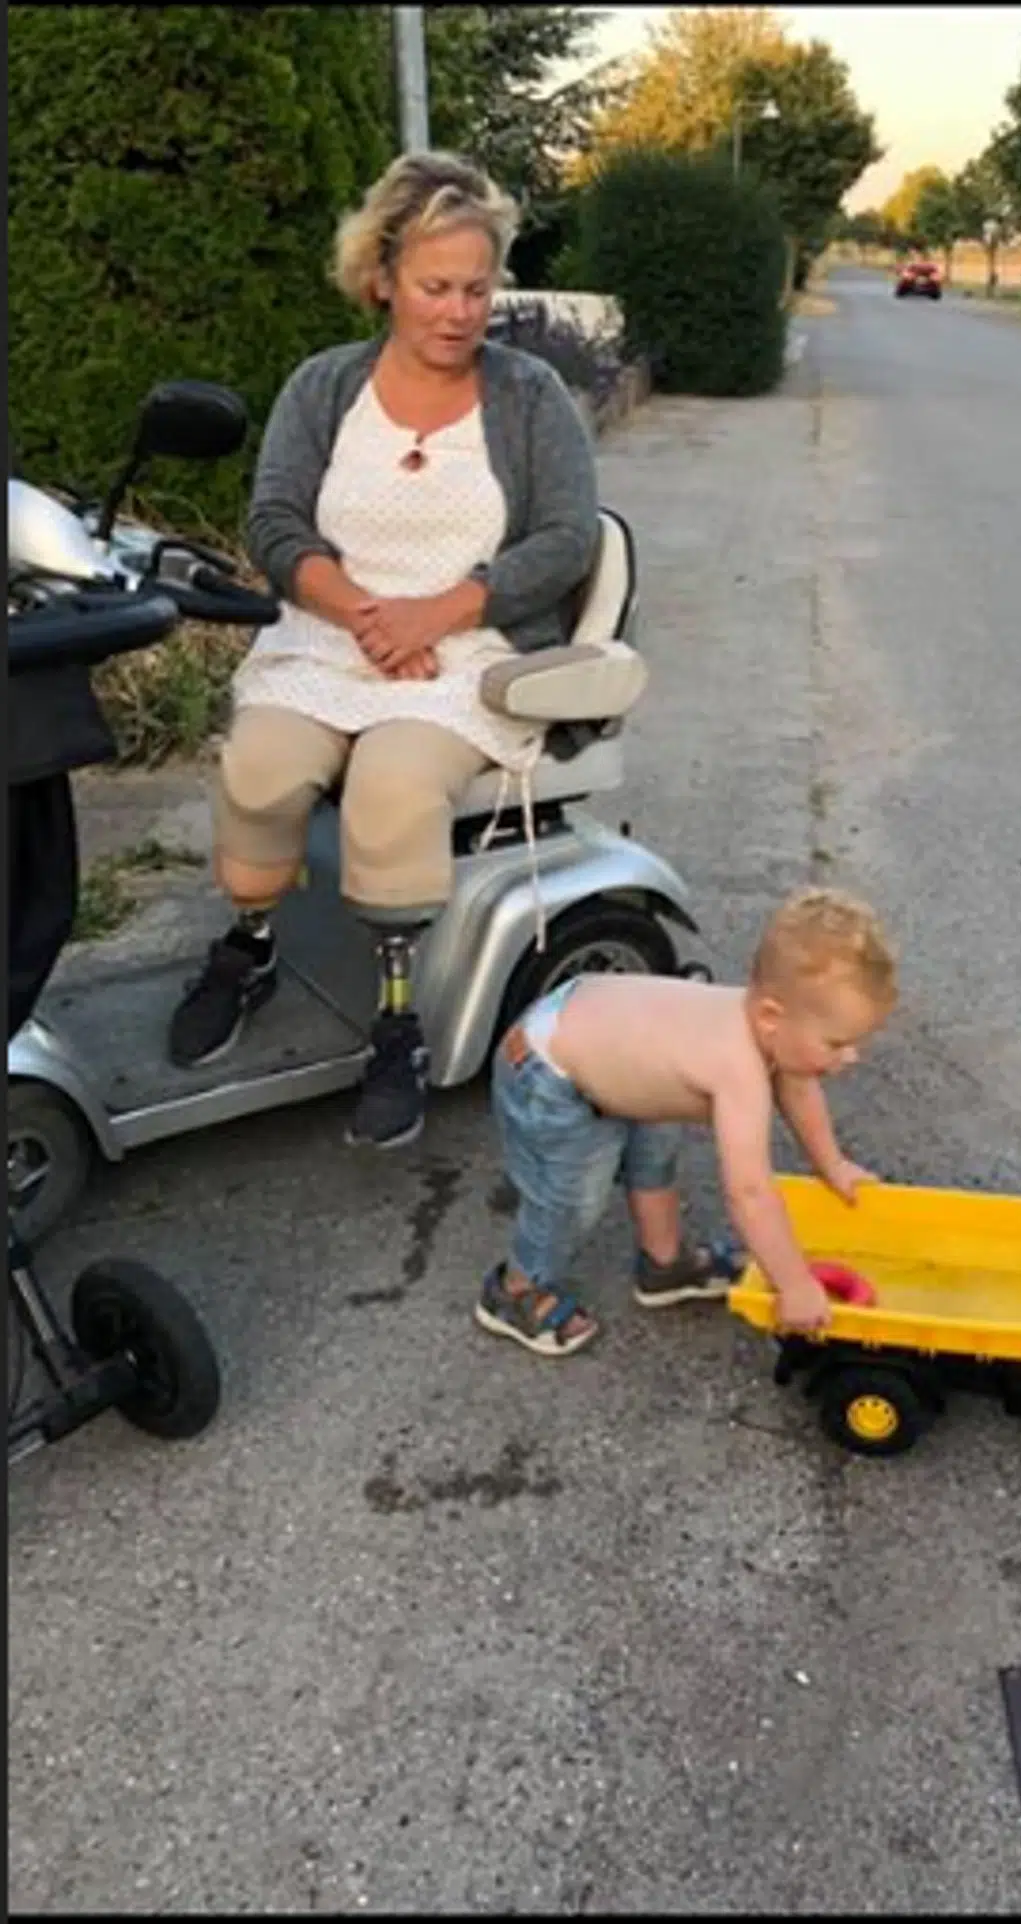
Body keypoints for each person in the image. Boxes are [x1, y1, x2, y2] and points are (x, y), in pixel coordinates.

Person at [167, 151, 599, 1150]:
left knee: (393, 791)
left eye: (478, 288)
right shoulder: (325, 386)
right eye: (434, 287)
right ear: (383, 279)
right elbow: (275, 520)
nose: (458, 312)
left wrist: (434, 615)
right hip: (331, 634)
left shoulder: (529, 396)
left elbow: (565, 540)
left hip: (466, 653)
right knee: (262, 771)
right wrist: (364, 610)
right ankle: (251, 945)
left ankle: (398, 1022)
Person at [474, 886, 897, 1357]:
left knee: (656, 1152)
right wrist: (795, 1284)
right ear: (772, 1017)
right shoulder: (738, 1066)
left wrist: (833, 1164)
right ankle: (514, 1290)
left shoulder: (770, 1027)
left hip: (603, 1035)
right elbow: (750, 1192)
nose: (852, 1057)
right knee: (570, 1197)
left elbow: (798, 1088)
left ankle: (665, 1265)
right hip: (547, 1067)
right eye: (836, 1043)